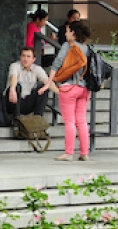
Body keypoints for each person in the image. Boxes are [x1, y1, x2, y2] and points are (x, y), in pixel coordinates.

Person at [44, 20, 92, 162]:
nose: (65, 33)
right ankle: (84, 153)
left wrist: (49, 81)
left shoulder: (68, 45)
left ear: (73, 33)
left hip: (68, 88)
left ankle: (68, 153)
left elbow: (57, 63)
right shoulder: (86, 48)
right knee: (81, 121)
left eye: (67, 31)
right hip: (84, 88)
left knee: (69, 121)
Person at [6, 46, 56, 118]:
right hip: (12, 100)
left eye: (28, 56)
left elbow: (48, 82)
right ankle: (16, 120)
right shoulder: (15, 66)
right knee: (17, 86)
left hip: (27, 102)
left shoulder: (37, 69)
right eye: (23, 56)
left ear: (33, 59)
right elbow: (13, 77)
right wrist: (12, 89)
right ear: (20, 57)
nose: (25, 59)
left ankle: (38, 119)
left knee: (44, 87)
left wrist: (62, 93)